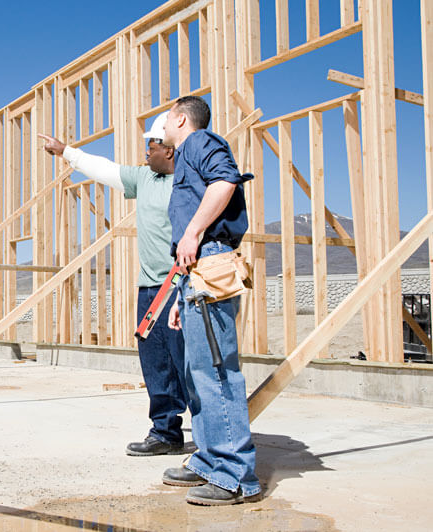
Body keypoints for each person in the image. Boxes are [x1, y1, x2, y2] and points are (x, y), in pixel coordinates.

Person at [38, 112, 190, 457]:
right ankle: (166, 431)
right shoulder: (144, 178)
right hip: (150, 288)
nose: (144, 153)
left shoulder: (189, 180)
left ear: (167, 150)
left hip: (181, 286)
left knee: (189, 362)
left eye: (150, 146)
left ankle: (211, 438)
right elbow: (104, 168)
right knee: (156, 363)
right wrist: (65, 152)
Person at [161, 96, 261, 505]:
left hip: (211, 263)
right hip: (196, 274)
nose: (163, 129)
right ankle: (207, 461)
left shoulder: (199, 142)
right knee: (196, 372)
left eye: (166, 120)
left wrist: (193, 233)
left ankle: (234, 476)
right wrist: (178, 298)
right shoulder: (186, 155)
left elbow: (225, 182)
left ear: (181, 118)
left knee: (216, 372)